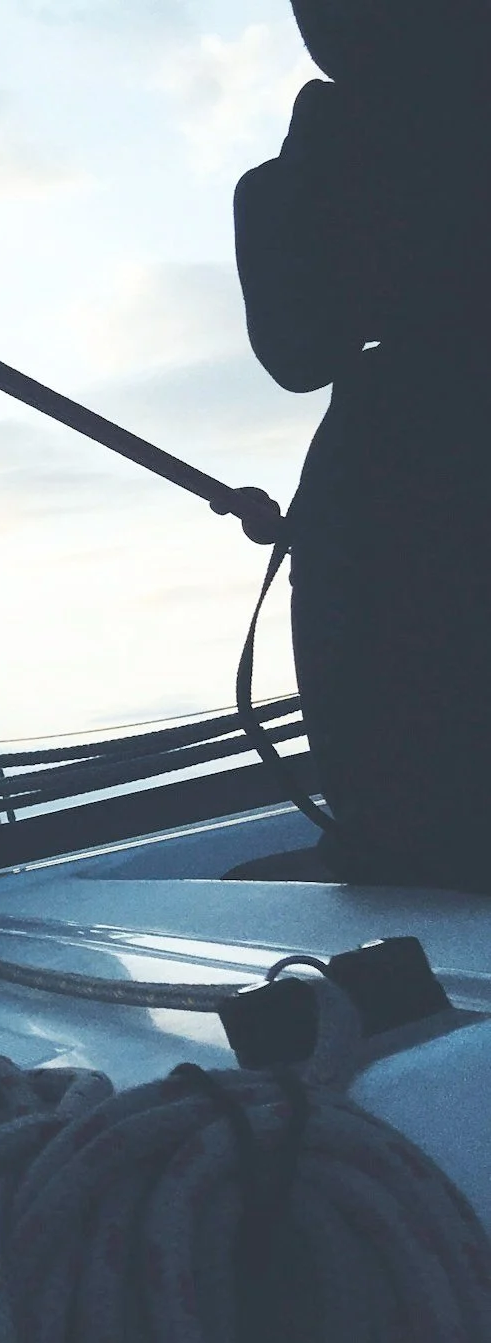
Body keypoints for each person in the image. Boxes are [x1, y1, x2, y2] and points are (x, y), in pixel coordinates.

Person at [234, 0, 491, 889]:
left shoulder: (317, 164)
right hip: (397, 483)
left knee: (410, 808)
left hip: (393, 485)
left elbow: (297, 351)